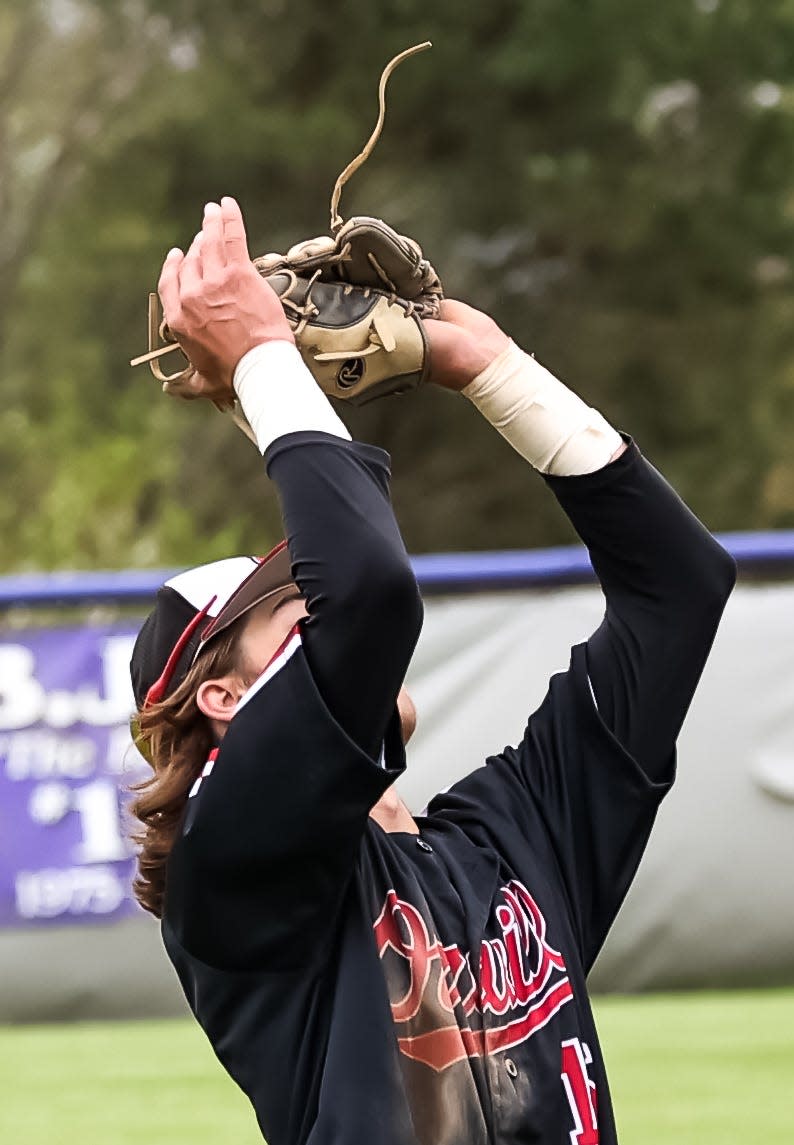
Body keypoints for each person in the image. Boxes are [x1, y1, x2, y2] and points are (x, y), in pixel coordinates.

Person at [130, 197, 735, 1145]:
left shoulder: (515, 836)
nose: (328, 602)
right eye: (298, 599)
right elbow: (370, 588)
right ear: (224, 698)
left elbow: (680, 586)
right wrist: (259, 358)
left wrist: (489, 367)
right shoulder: (237, 868)